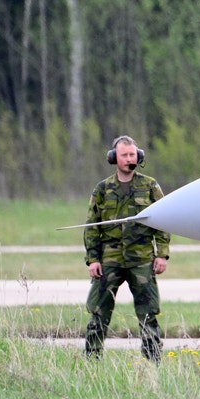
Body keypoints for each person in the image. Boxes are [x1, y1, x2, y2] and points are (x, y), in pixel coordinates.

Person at [83, 136, 170, 360]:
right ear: (114, 158)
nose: (129, 159)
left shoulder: (149, 186)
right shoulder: (102, 189)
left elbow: (164, 220)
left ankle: (152, 361)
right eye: (124, 155)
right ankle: (92, 359)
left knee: (148, 313)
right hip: (109, 260)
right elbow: (91, 227)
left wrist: (162, 255)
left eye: (132, 155)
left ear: (138, 156)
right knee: (98, 312)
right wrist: (93, 259)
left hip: (141, 259)